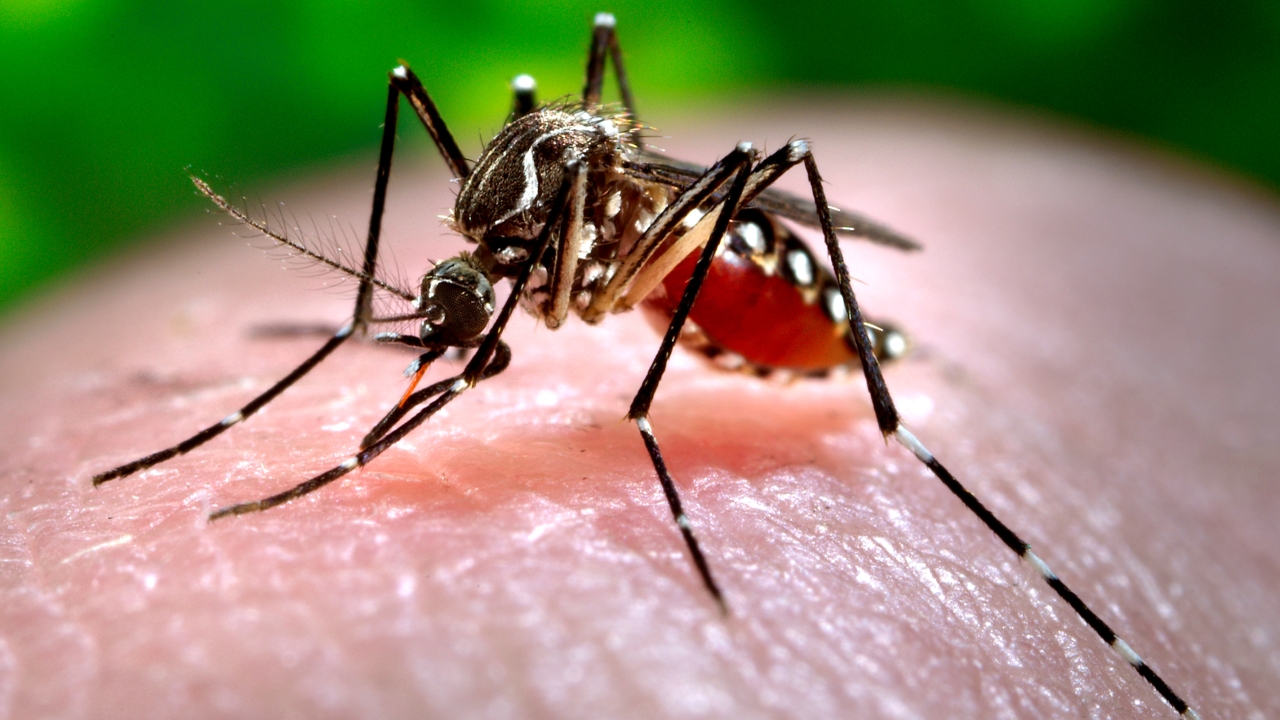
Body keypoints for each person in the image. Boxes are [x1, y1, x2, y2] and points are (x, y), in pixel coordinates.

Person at [0, 99, 1276, 718]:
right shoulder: (480, 238)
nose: (455, 338)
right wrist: (355, 331)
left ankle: (903, 438)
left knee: (751, 166)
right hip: (628, 251)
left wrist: (643, 413)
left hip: (739, 278)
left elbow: (733, 171)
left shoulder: (543, 242)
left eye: (454, 314)